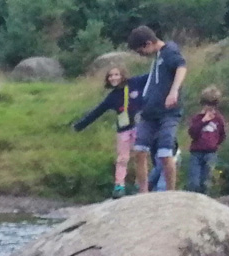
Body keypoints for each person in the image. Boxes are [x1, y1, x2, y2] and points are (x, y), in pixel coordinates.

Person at [71, 67, 149, 198]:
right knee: (122, 158)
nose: (114, 78)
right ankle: (119, 186)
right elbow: (96, 112)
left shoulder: (135, 82)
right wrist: (79, 126)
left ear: (122, 75)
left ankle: (141, 185)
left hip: (139, 126)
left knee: (140, 156)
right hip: (123, 129)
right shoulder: (111, 97)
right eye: (111, 76)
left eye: (116, 74)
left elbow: (154, 74)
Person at [128, 26, 187, 192]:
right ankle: (143, 191)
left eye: (141, 51)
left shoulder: (169, 51)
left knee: (165, 152)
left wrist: (174, 91)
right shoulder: (157, 57)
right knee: (139, 151)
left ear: (148, 44)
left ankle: (170, 192)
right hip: (149, 112)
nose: (142, 55)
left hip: (167, 113)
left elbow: (181, 67)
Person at [184, 86, 228, 194]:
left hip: (211, 153)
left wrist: (215, 144)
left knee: (206, 181)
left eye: (213, 105)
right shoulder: (197, 118)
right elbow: (192, 133)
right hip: (196, 153)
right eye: (208, 104)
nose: (210, 107)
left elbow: (222, 134)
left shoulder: (218, 119)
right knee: (194, 182)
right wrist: (203, 120)